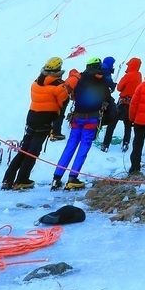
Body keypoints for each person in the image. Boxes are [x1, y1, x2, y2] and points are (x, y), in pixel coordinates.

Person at [2, 57, 68, 190]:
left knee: (24, 149)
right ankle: (22, 180)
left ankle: (7, 179)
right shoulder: (59, 86)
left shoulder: (36, 82)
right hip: (45, 120)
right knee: (33, 151)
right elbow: (63, 103)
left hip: (32, 117)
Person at [53, 57, 114, 190]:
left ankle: (57, 177)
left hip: (77, 117)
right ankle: (72, 177)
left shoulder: (81, 78)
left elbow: (74, 95)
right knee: (84, 146)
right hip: (92, 118)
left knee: (70, 145)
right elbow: (107, 98)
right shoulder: (101, 79)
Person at [113, 57, 142, 150]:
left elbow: (119, 88)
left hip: (122, 102)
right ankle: (126, 143)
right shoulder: (139, 75)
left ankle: (105, 144)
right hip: (132, 103)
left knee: (112, 122)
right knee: (128, 125)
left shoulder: (128, 76)